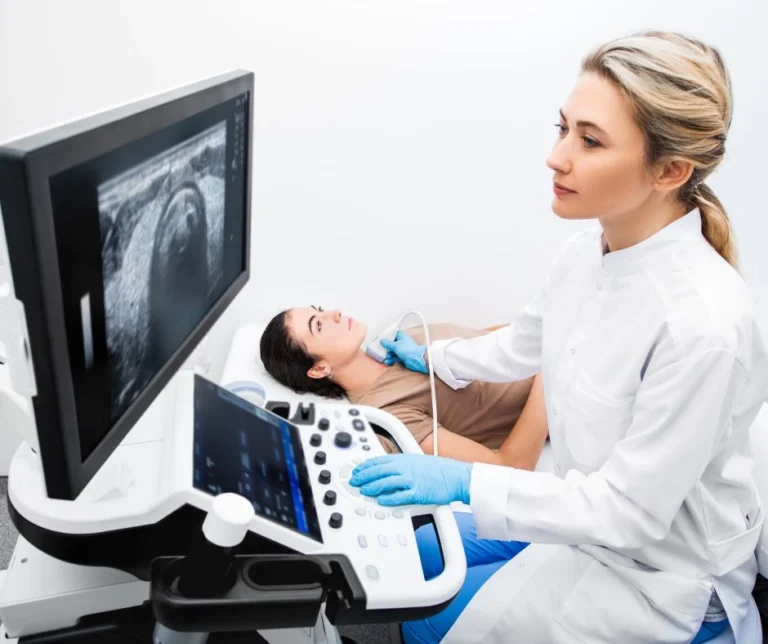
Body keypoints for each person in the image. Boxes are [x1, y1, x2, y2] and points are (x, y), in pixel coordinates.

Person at [350, 31, 768, 643]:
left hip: (655, 578)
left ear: (670, 170)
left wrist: (466, 482)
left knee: (422, 614)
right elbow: (524, 343)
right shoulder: (586, 253)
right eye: (563, 128)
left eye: (590, 140)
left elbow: (628, 512)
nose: (557, 156)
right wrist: (432, 359)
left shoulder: (702, 326)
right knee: (417, 554)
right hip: (580, 518)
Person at [260, 311, 549, 469]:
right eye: (318, 325)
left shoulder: (402, 340)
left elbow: (493, 337)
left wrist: (547, 335)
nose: (335, 313)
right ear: (318, 369)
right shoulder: (388, 416)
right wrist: (547, 370)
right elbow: (512, 465)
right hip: (572, 393)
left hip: (567, 346)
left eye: (321, 309)